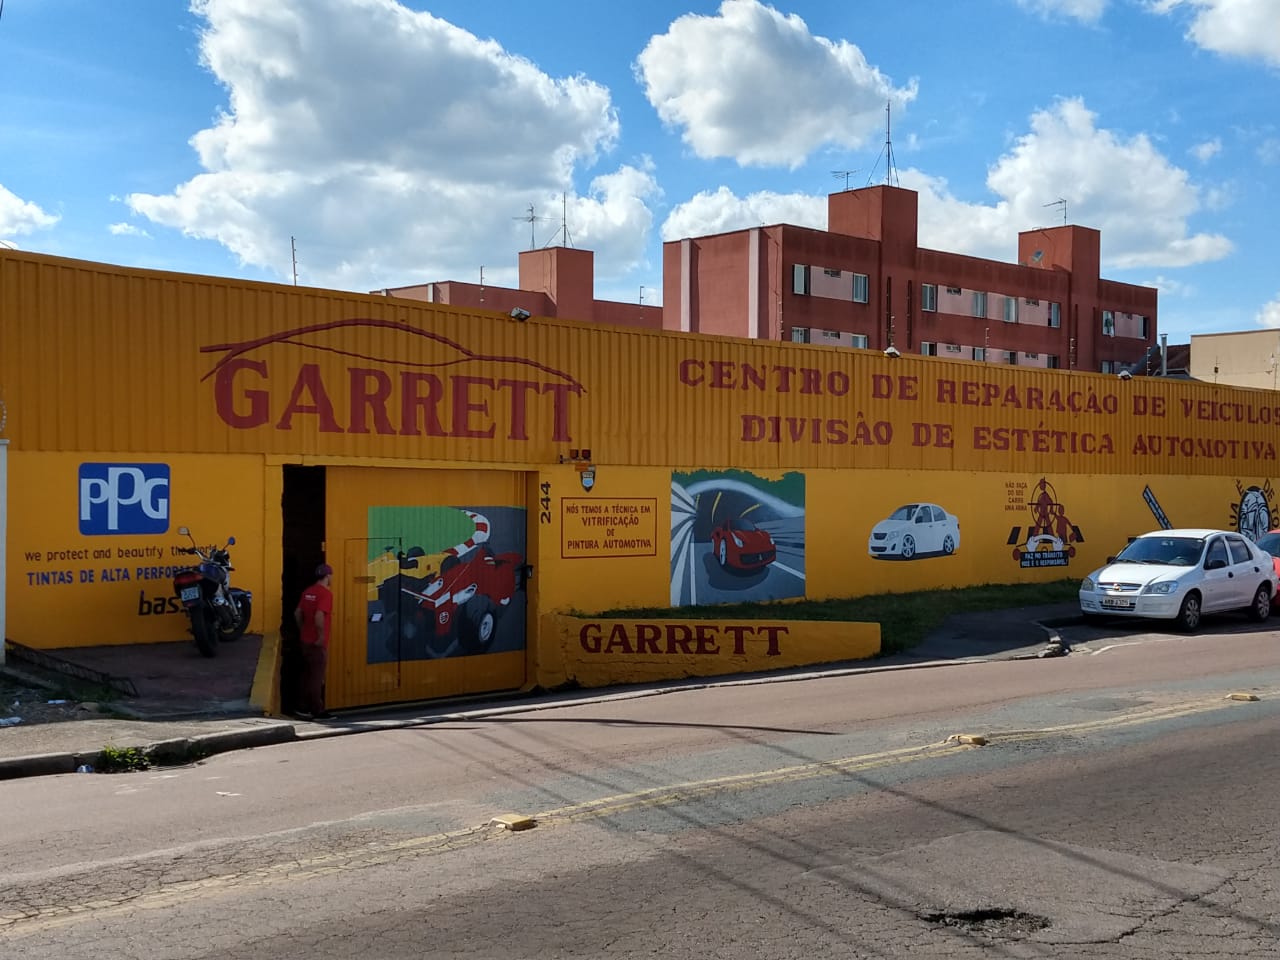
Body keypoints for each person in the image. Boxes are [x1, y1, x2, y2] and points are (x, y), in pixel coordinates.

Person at [293, 563, 335, 720]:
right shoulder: (326, 594)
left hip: (305, 640)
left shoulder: (308, 592)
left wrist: (303, 630)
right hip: (317, 643)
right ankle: (316, 710)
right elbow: (319, 616)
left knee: (306, 675)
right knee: (317, 677)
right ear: (328, 576)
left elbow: (297, 613)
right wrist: (321, 636)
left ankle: (301, 707)